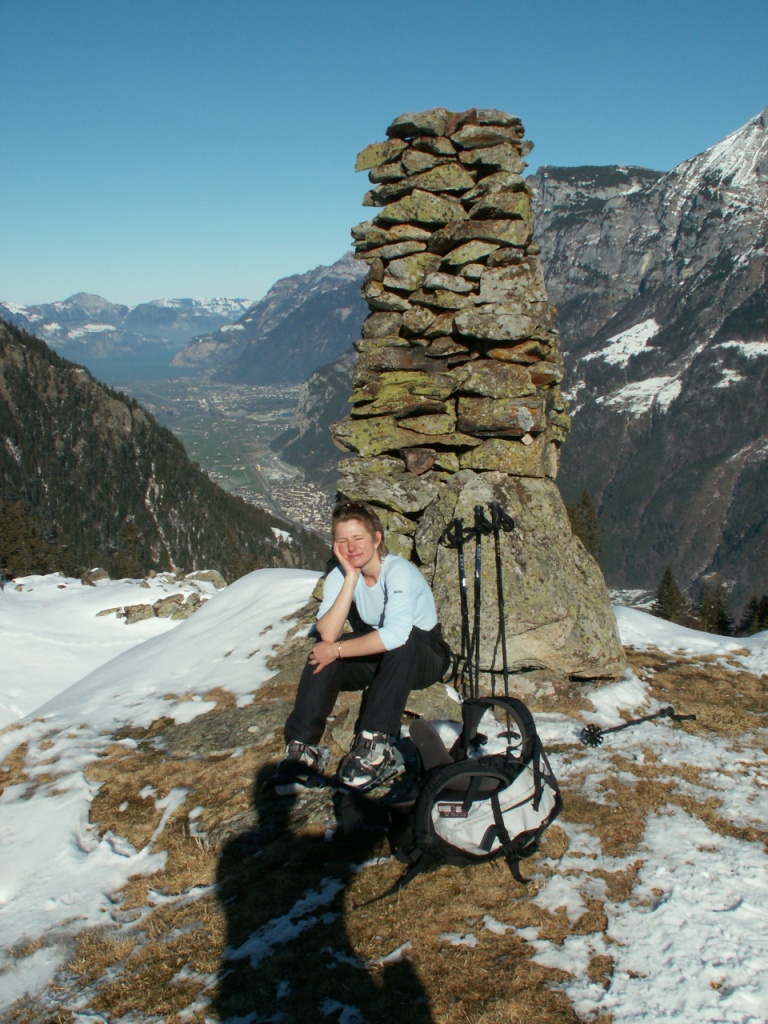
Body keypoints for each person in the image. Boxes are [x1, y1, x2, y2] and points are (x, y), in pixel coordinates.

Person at [277, 501, 451, 791]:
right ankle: (302, 747)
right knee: (322, 653)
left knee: (399, 640)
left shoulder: (399, 572)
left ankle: (376, 744)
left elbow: (396, 635)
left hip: (425, 655)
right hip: (388, 654)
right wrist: (351, 578)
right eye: (342, 540)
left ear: (377, 539)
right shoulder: (341, 575)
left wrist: (338, 650)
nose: (350, 546)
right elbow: (329, 634)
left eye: (358, 538)